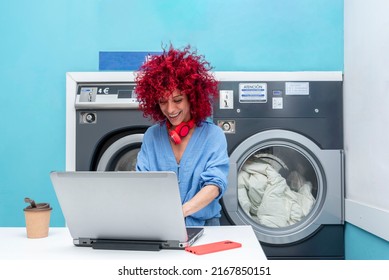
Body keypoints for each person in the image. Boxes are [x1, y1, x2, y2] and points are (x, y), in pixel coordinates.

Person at [134, 45, 229, 226]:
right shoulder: (152, 136)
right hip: (160, 226)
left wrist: (179, 213)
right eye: (163, 102)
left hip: (205, 228)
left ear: (192, 98)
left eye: (178, 100)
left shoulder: (213, 135)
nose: (170, 109)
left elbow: (215, 185)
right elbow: (142, 184)